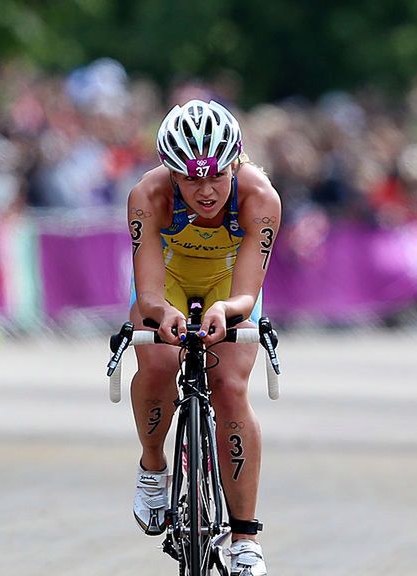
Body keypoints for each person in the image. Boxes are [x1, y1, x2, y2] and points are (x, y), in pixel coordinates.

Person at [127, 99, 281, 576]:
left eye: (216, 176)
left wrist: (229, 310)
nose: (207, 190)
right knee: (155, 361)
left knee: (231, 388)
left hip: (229, 287)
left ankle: (244, 538)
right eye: (192, 179)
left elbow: (247, 294)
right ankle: (154, 465)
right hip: (167, 285)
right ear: (171, 173)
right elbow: (149, 292)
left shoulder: (261, 197)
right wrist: (161, 313)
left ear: (235, 162)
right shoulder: (147, 195)